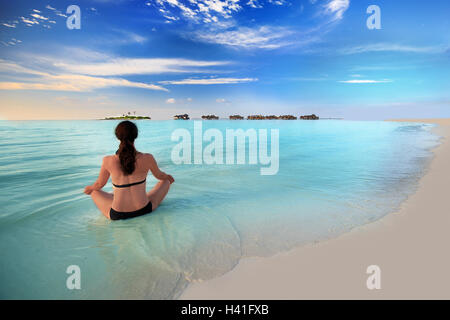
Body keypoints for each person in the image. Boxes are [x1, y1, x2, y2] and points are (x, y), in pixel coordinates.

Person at [84, 120, 174, 220]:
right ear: (135, 136)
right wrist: (168, 177)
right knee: (165, 181)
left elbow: (99, 185)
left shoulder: (108, 160)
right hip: (144, 209)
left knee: (94, 191)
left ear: (118, 136)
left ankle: (118, 195)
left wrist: (89, 188)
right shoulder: (148, 158)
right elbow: (160, 176)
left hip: (118, 214)